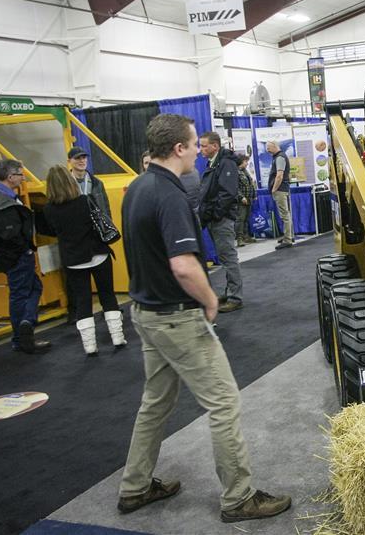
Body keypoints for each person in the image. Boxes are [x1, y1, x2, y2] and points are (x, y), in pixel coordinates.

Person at [118, 113, 291, 523]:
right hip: (176, 317)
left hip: (145, 312)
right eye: (195, 144)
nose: (199, 150)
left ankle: (135, 487)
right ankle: (239, 497)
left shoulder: (137, 187)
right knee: (224, 402)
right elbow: (182, 264)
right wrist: (210, 298)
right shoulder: (170, 194)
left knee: (155, 403)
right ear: (178, 149)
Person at [43, 165, 126, 356]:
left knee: (82, 301)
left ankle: (90, 346)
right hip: (98, 254)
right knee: (108, 295)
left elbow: (53, 231)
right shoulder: (84, 201)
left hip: (73, 259)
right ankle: (118, 337)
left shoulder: (48, 210)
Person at [0, 160, 51, 354]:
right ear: (9, 177)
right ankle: (23, 332)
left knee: (32, 287)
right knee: (21, 293)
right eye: (20, 174)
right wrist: (25, 250)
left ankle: (24, 328)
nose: (23, 177)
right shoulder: (2, 204)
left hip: (9, 256)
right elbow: (9, 234)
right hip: (16, 256)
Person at [198, 132, 243, 312]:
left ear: (215, 146)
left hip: (221, 219)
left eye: (204, 146)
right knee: (225, 258)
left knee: (229, 257)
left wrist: (216, 214)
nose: (201, 149)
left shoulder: (225, 163)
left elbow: (228, 193)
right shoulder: (216, 162)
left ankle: (235, 297)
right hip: (215, 218)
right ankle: (230, 291)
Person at [68, 146, 112, 222]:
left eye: (84, 157)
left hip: (95, 228)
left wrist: (109, 225)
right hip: (75, 228)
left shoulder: (97, 183)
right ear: (69, 161)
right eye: (77, 158)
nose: (82, 161)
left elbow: (106, 209)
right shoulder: (64, 184)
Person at [265, 141, 294, 249]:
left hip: (280, 190)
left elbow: (279, 175)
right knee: (286, 214)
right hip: (283, 189)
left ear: (275, 146)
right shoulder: (279, 157)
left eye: (268, 148)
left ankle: (288, 240)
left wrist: (274, 189)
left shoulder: (280, 157)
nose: (267, 150)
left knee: (284, 215)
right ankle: (289, 236)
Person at [235, 154, 257, 247]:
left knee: (246, 219)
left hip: (248, 199)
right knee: (240, 219)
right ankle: (239, 239)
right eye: (245, 161)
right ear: (241, 162)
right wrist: (241, 197)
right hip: (241, 201)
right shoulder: (235, 172)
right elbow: (235, 188)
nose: (247, 163)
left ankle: (246, 236)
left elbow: (250, 184)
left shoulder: (245, 171)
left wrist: (254, 195)